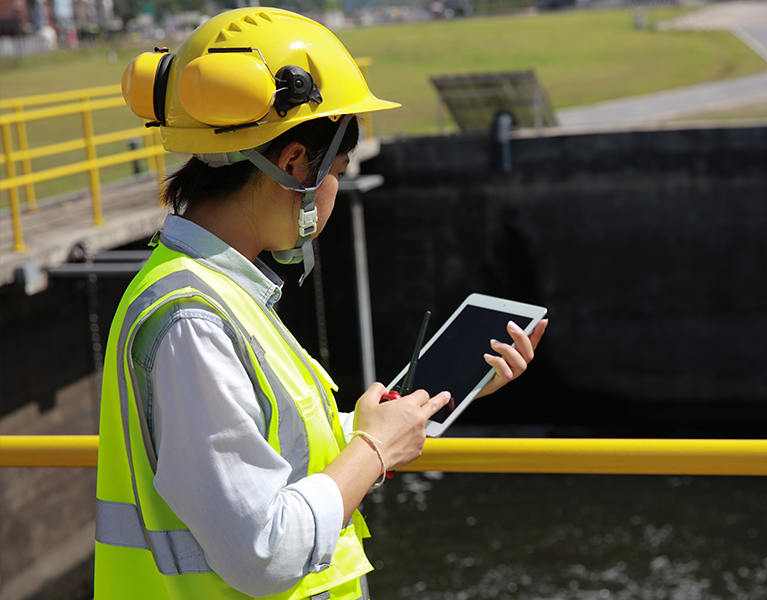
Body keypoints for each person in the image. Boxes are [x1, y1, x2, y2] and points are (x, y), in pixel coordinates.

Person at [95, 7, 548, 600]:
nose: (336, 187)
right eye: (337, 169)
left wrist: (406, 412)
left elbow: (271, 448)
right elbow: (264, 550)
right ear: (292, 165)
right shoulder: (192, 319)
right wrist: (375, 448)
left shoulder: (217, 290)